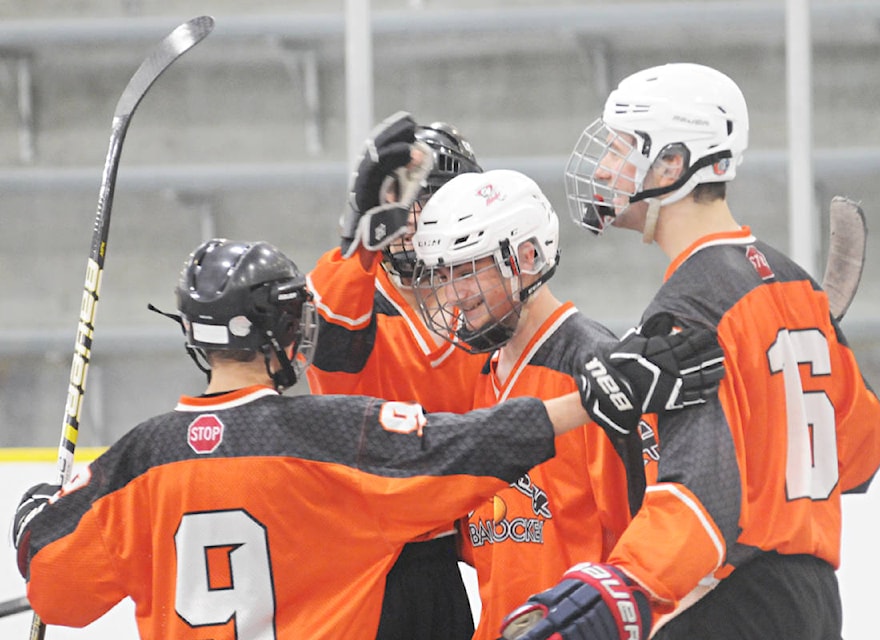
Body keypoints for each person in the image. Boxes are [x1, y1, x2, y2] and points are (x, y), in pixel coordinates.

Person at [11, 238, 722, 639]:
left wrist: (32, 521)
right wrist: (592, 400)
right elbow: (467, 447)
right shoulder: (328, 437)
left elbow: (58, 593)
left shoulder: (138, 458)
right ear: (285, 333)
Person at [500, 62, 880, 640]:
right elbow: (861, 452)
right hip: (813, 601)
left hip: (732, 602)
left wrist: (619, 589)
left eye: (624, 148)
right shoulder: (793, 283)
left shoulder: (690, 303)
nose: (607, 167)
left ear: (673, 164)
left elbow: (701, 495)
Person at [410, 168, 722, 640]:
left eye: (467, 270)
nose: (453, 294)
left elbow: (657, 546)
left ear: (527, 257)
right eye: (444, 275)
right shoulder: (475, 379)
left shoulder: (594, 370)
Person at [304, 112, 487, 639]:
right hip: (361, 568)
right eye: (399, 198)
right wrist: (355, 239)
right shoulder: (354, 297)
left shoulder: (480, 312)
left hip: (443, 562)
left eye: (425, 201)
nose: (409, 217)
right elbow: (330, 339)